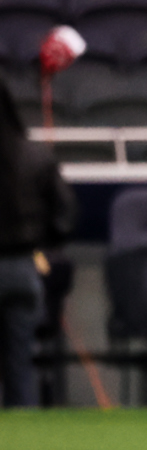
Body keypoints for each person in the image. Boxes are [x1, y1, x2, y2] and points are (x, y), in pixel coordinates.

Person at [0, 85, 73, 410]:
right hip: (21, 267)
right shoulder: (35, 155)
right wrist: (44, 244)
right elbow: (65, 216)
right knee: (20, 367)